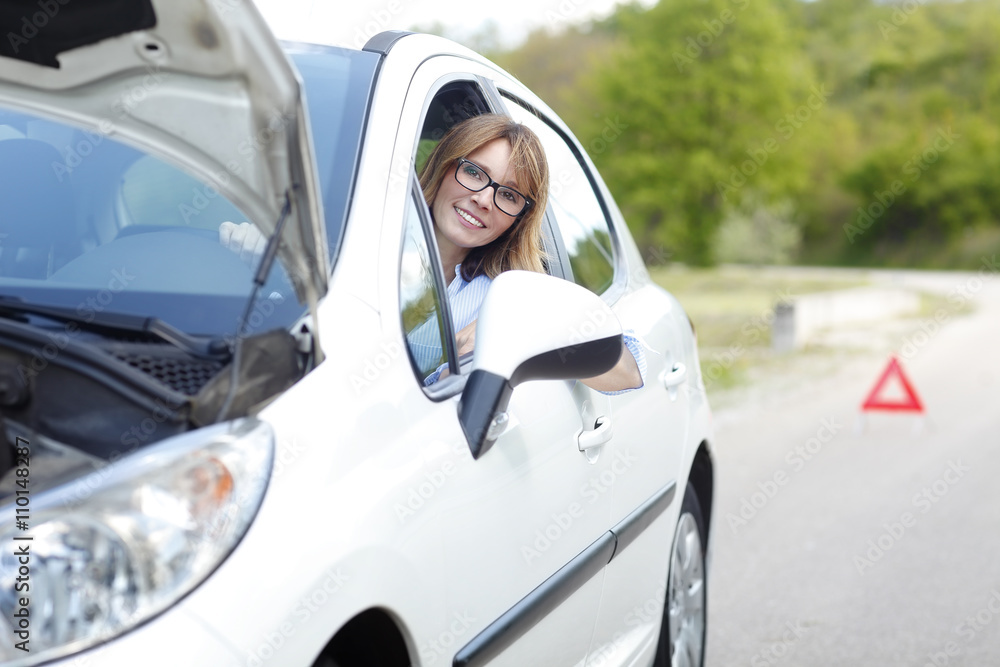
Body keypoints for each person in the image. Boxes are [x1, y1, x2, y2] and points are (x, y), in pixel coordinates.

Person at [220, 113, 645, 394]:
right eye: (475, 172)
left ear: (520, 216)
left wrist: (516, 328)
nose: (484, 199)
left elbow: (625, 372)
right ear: (444, 166)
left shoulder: (505, 295)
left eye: (510, 195)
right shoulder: (353, 254)